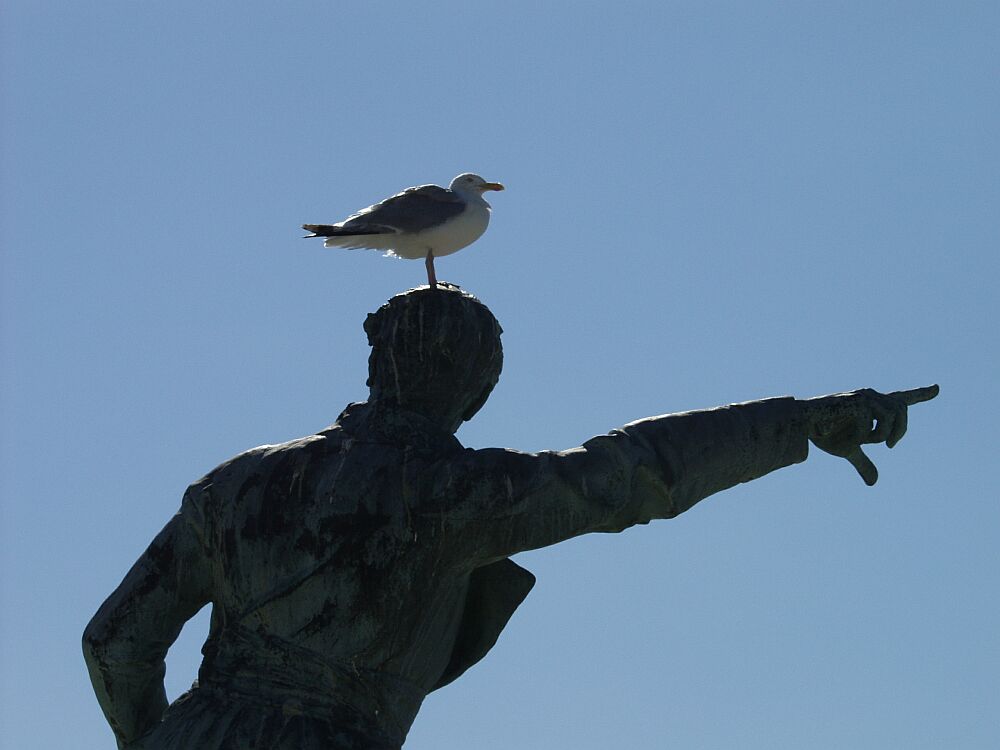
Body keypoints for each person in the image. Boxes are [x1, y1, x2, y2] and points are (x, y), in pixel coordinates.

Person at [83, 286, 937, 749]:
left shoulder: (234, 485)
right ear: (476, 391)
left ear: (378, 365)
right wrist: (802, 421)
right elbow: (634, 474)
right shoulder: (455, 494)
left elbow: (116, 642)